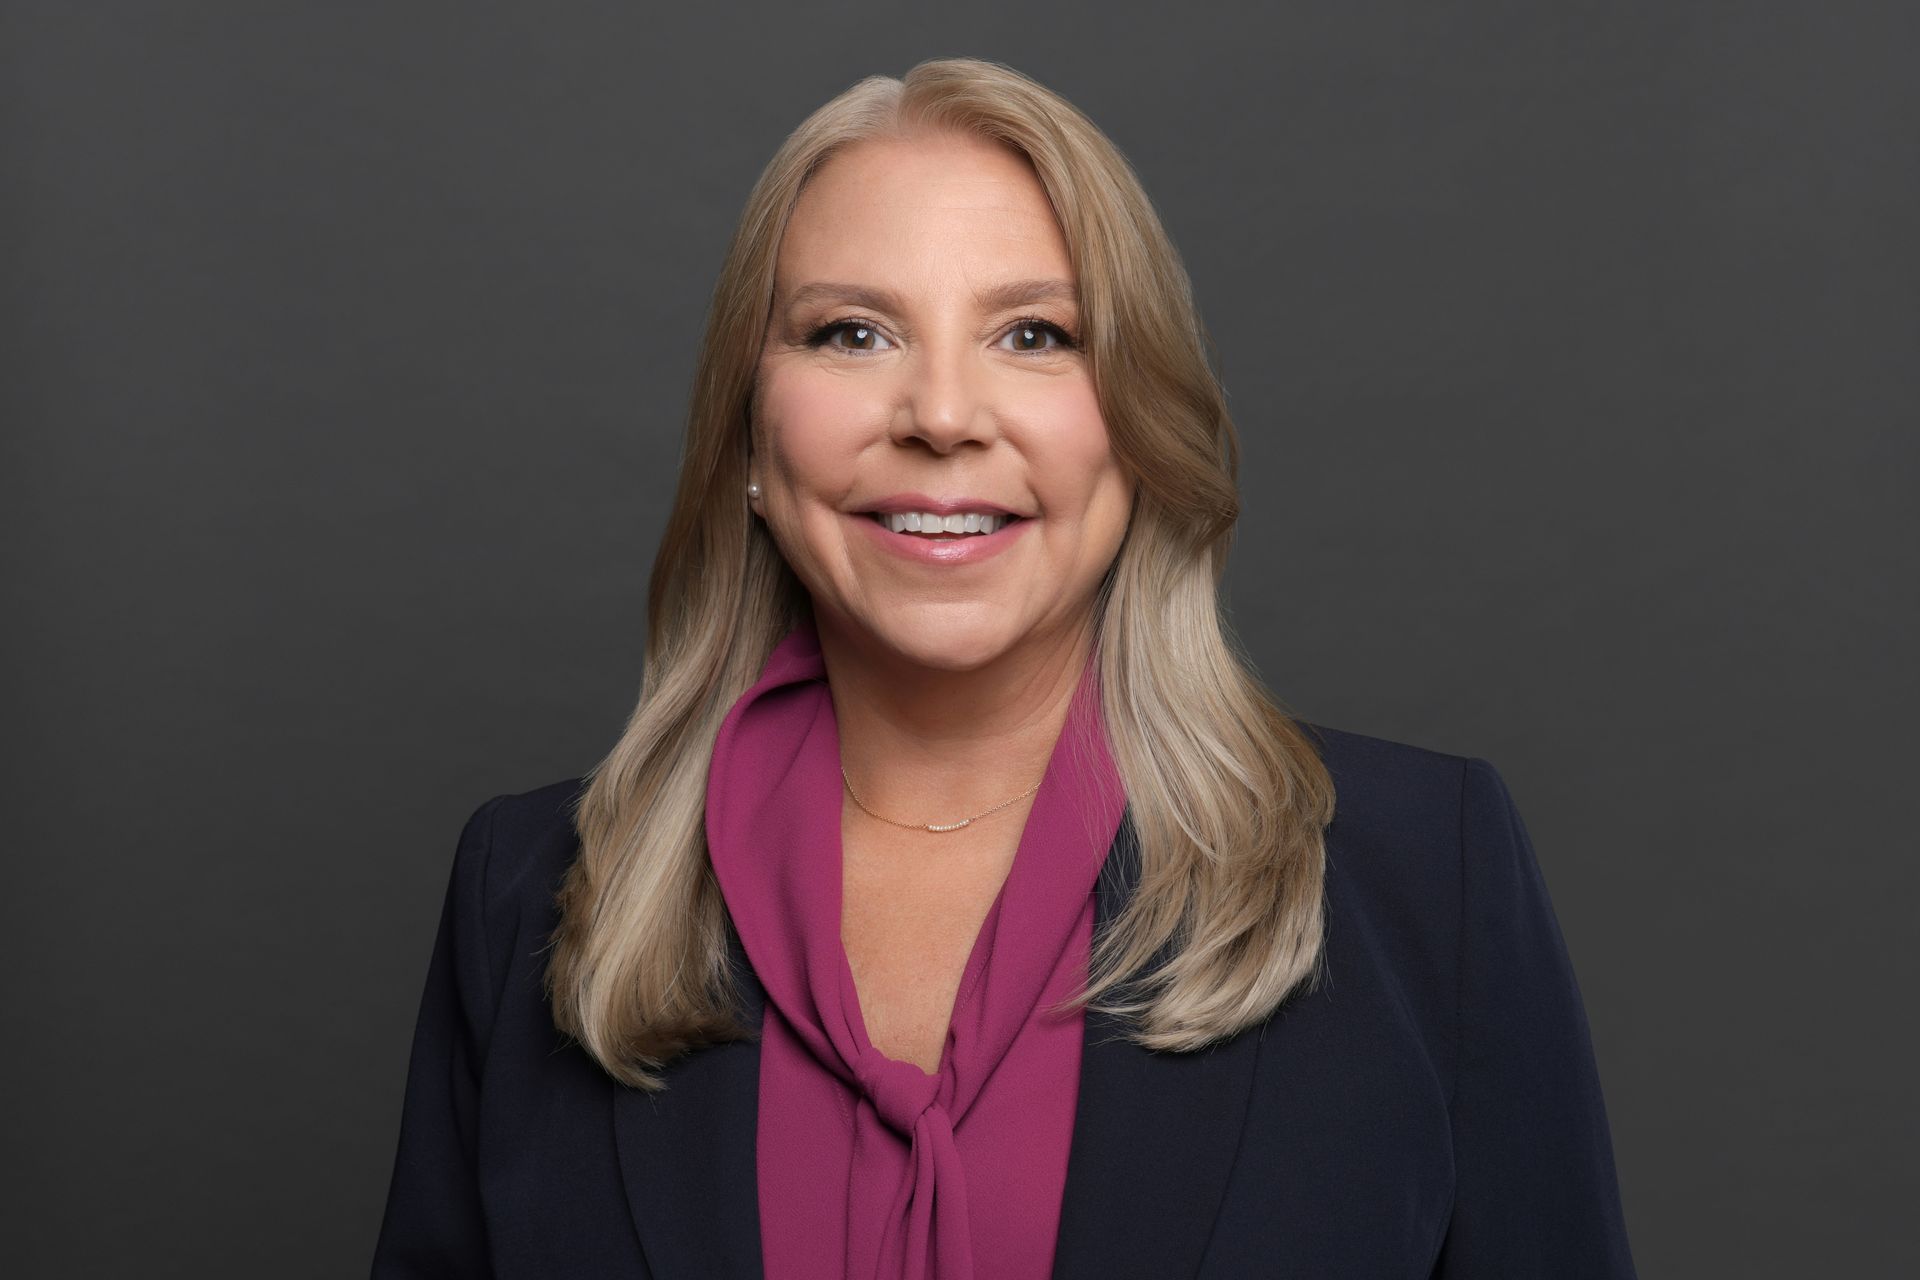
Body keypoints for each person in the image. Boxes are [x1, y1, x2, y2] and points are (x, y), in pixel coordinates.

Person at [370, 56, 1637, 1280]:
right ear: (750, 438)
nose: (940, 412)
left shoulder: (1430, 877)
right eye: (852, 331)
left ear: (1138, 425)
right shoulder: (524, 898)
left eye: (1033, 333)